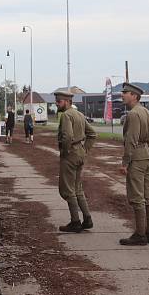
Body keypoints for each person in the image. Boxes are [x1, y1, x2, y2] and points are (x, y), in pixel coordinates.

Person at [118, 82, 149, 246]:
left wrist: (124, 163)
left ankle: (140, 235)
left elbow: (130, 141)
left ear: (134, 96)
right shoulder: (146, 112)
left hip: (137, 158)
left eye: (125, 92)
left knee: (137, 197)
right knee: (148, 197)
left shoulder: (133, 114)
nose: (123, 95)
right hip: (148, 155)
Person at [55, 89, 96, 233]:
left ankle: (75, 222)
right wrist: (85, 150)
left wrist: (65, 151)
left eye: (59, 101)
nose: (56, 104)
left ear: (67, 102)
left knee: (67, 189)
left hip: (70, 154)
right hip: (79, 153)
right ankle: (87, 218)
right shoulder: (79, 114)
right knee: (78, 188)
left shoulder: (66, 115)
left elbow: (67, 136)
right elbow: (92, 134)